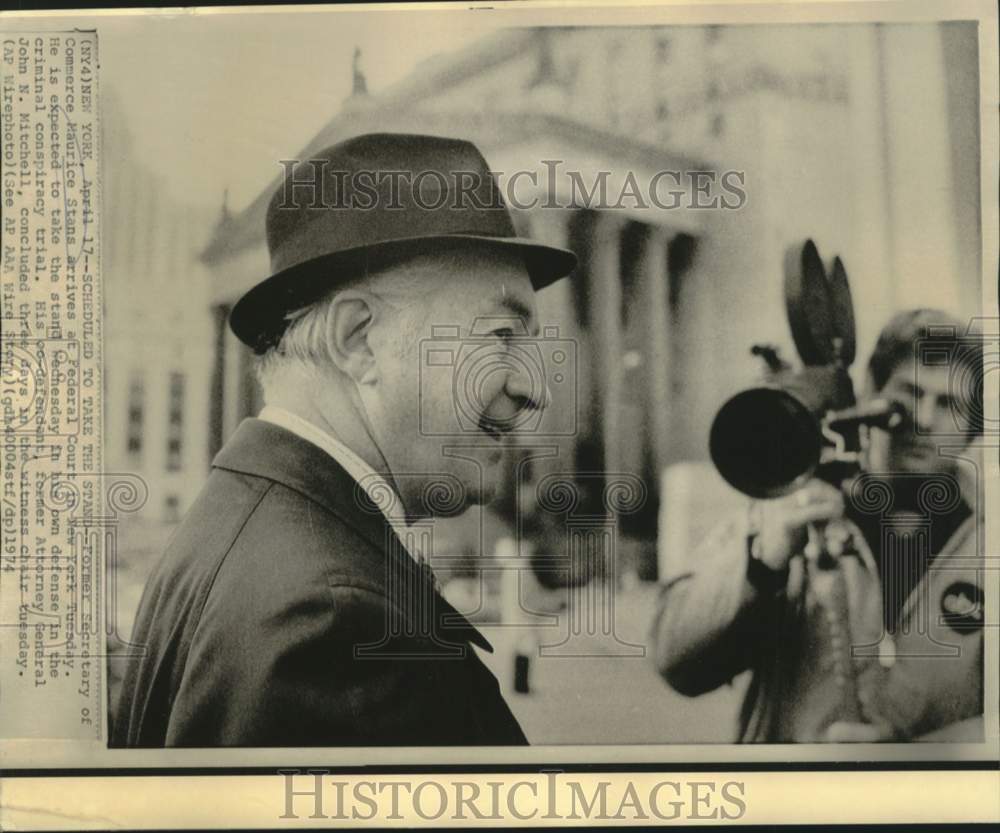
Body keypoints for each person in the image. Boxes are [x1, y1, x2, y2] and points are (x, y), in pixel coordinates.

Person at [111, 133, 577, 747]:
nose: (532, 388)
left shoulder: (226, 527)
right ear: (359, 340)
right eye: (500, 335)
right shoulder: (338, 625)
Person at [651, 309, 985, 743]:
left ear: (973, 423)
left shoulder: (989, 537)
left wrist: (917, 752)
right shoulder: (791, 502)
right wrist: (763, 563)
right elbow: (677, 663)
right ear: (871, 393)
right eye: (909, 393)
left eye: (949, 404)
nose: (923, 418)